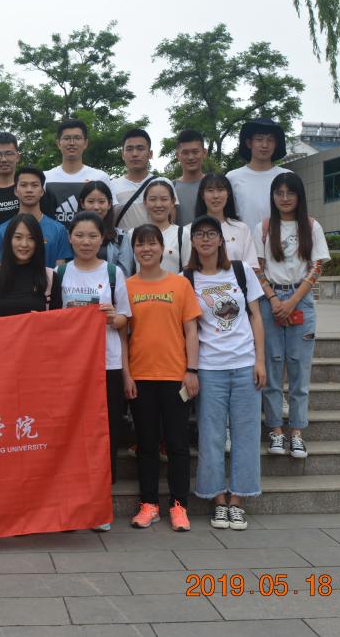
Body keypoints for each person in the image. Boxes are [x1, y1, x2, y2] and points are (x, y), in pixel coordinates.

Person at [185, 215, 266, 531]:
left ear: (221, 239)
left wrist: (260, 361)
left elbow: (256, 317)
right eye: (199, 234)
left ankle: (238, 500)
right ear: (192, 241)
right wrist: (191, 369)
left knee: (247, 435)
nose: (205, 239)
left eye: (211, 233)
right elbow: (190, 328)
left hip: (244, 365)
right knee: (211, 436)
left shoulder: (241, 271)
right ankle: (218, 500)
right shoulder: (186, 278)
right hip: (210, 368)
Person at [124, 224, 201, 530]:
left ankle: (179, 505)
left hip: (175, 376)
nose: (146, 249)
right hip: (141, 376)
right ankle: (149, 504)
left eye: (152, 243)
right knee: (146, 444)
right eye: (140, 244)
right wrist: (126, 375)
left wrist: (191, 370)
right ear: (134, 249)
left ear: (162, 248)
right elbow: (122, 336)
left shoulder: (180, 284)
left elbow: (191, 330)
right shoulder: (126, 286)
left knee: (178, 444)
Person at [59, 211, 131, 531]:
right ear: (70, 238)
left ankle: (100, 505)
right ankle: (72, 505)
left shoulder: (114, 273)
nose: (86, 242)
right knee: (73, 434)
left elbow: (125, 320)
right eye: (79, 235)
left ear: (102, 238)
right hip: (71, 367)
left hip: (107, 364)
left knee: (106, 433)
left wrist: (113, 317)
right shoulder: (60, 274)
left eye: (92, 236)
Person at [256, 173, 330, 459]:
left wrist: (293, 301)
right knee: (272, 369)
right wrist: (275, 299)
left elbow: (317, 266)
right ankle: (275, 430)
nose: (284, 198)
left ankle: (297, 432)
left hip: (302, 301)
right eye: (279, 193)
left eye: (290, 193)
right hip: (270, 302)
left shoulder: (311, 226)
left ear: (300, 196)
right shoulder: (263, 227)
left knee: (299, 371)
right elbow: (256, 268)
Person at [0, 167, 72, 270]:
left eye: (34, 185)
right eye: (23, 185)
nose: (29, 190)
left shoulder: (59, 230)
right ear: (16, 191)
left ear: (42, 191)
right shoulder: (0, 231)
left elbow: (60, 270)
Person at [0, 214, 63, 317]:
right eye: (18, 237)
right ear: (8, 240)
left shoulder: (50, 278)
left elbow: (58, 322)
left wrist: (43, 320)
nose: (24, 244)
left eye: (31, 238)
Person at [181, 174, 258, 269]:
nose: (216, 196)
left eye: (220, 190)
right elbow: (187, 268)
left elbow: (252, 267)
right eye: (210, 190)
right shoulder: (187, 231)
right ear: (202, 195)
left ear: (228, 194)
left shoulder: (241, 228)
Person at [226, 118, 289, 233]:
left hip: (280, 241)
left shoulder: (286, 176)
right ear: (249, 143)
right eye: (259, 139)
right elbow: (227, 216)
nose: (265, 145)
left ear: (276, 144)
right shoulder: (232, 177)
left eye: (270, 140)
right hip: (244, 241)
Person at [45, 119, 111, 226]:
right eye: (67, 138)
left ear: (85, 143)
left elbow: (110, 215)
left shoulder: (100, 177)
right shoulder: (45, 177)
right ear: (58, 143)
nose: (72, 143)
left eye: (77, 138)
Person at [110, 128, 173, 231]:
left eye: (140, 148)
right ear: (122, 154)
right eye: (129, 149)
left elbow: (171, 222)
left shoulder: (164, 183)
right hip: (122, 241)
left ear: (150, 154)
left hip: (158, 241)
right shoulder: (112, 186)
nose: (135, 154)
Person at [126, 180, 186, 274]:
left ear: (173, 202)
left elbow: (188, 271)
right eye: (153, 199)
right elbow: (128, 271)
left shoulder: (183, 233)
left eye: (164, 199)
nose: (158, 205)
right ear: (145, 202)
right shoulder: (132, 234)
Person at [77, 181, 134, 276]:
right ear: (82, 203)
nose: (96, 207)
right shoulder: (71, 235)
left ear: (109, 204)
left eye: (101, 201)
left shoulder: (120, 236)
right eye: (90, 201)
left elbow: (124, 273)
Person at [172, 130, 208, 227]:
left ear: (204, 152)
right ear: (177, 155)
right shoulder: (170, 188)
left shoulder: (215, 186)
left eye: (195, 152)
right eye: (185, 153)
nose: (191, 157)